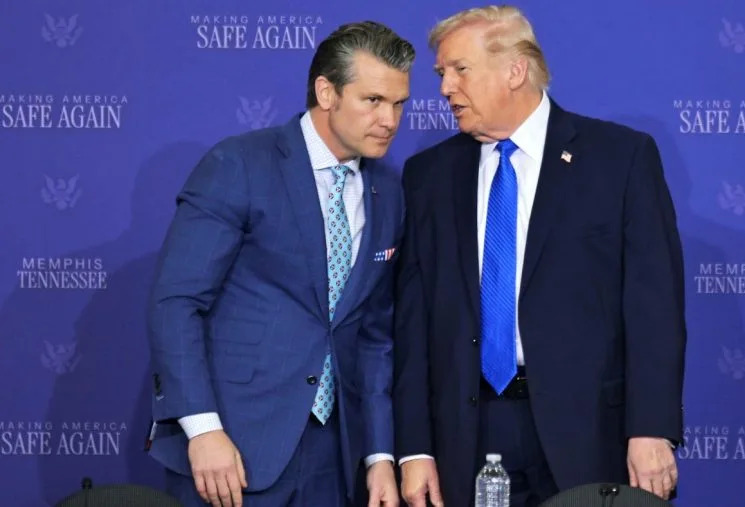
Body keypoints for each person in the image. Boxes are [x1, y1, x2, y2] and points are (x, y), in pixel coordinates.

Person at [393, 6, 686, 506]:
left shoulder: (619, 159)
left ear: (515, 70)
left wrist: (651, 428)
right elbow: (413, 324)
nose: (444, 88)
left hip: (590, 435)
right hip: (467, 435)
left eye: (460, 70)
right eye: (441, 73)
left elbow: (653, 308)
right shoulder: (429, 176)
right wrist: (414, 449)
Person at [146, 21, 413, 507]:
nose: (389, 120)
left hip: (336, 456)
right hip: (232, 446)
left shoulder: (388, 191)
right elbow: (176, 302)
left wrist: (378, 455)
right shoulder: (240, 164)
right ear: (326, 92)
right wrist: (202, 429)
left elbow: (375, 336)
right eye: (373, 100)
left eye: (399, 104)